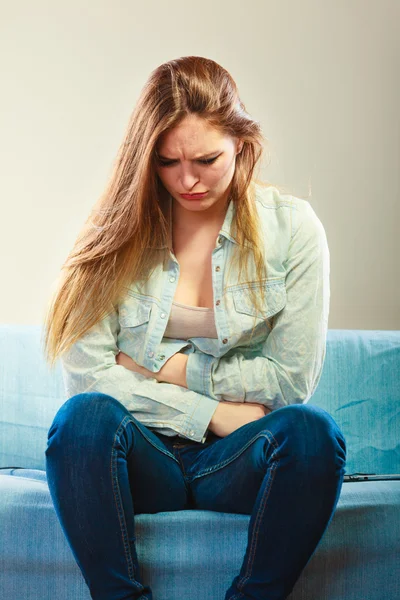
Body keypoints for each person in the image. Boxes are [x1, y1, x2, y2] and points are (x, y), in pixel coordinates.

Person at [43, 55, 346, 600]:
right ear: (146, 158)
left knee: (311, 432)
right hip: (141, 457)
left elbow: (289, 382)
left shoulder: (295, 229)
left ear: (241, 144)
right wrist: (216, 412)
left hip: (234, 459)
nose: (187, 180)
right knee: (82, 420)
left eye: (207, 159)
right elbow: (90, 382)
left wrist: (173, 369)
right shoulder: (107, 236)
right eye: (166, 162)